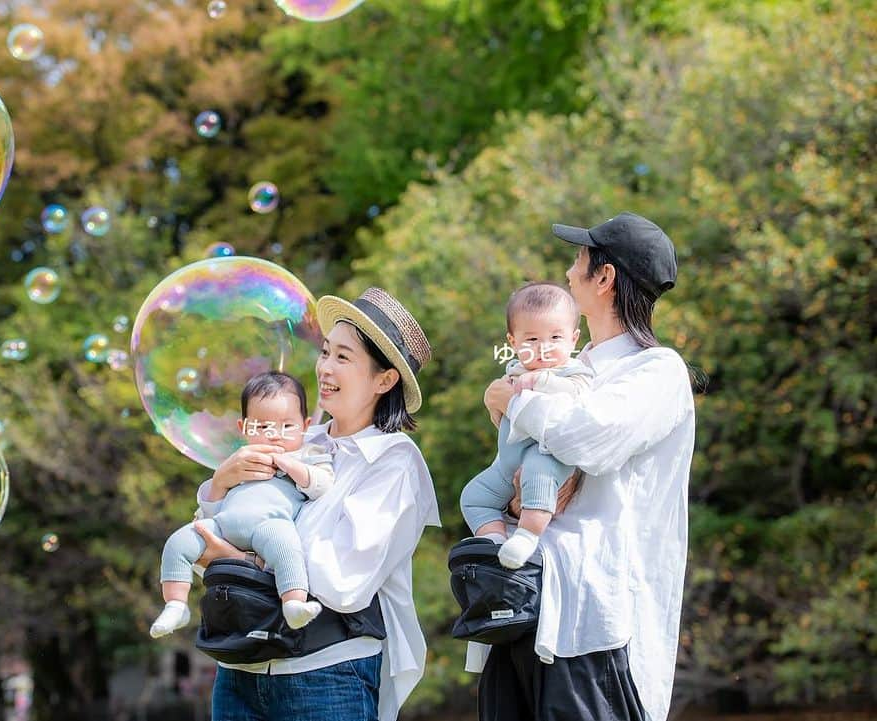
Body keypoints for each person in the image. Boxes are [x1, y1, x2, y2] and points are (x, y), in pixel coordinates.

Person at [478, 212, 695, 721]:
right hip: (524, 603)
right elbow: (520, 472)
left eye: (580, 260)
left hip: (595, 627)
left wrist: (508, 400)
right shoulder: (563, 367)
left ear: (605, 277)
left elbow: (589, 439)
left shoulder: (656, 370)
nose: (569, 271)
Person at [192, 287, 440, 721]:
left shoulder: (393, 462)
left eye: (343, 357)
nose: (324, 367)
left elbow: (341, 581)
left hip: (325, 675)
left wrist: (234, 557)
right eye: (325, 352)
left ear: (385, 379)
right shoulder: (296, 439)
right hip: (240, 667)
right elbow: (207, 539)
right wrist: (218, 486)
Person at [151, 371, 336, 637]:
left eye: (286, 426)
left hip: (269, 526)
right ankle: (176, 604)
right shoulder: (240, 459)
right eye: (262, 427)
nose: (274, 435)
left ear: (305, 426)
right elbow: (215, 508)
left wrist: (291, 465)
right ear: (244, 428)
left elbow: (323, 485)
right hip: (222, 525)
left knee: (287, 548)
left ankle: (293, 603)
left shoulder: (308, 454)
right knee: (178, 543)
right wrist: (220, 483)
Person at [460, 282, 593, 568]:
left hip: (545, 456)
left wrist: (542, 381)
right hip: (506, 463)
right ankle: (493, 542)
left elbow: (579, 396)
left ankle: (527, 536)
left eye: (555, 337)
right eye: (531, 340)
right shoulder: (513, 372)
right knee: (474, 496)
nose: (544, 348)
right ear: (512, 342)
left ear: (574, 338)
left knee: (537, 474)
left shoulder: (573, 371)